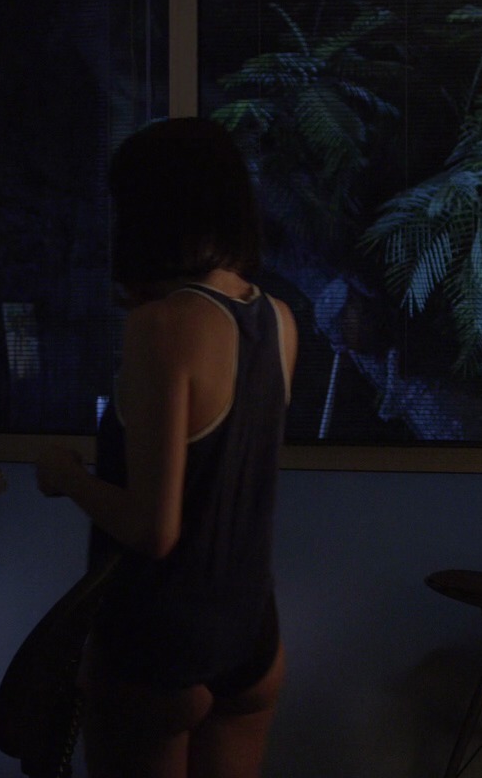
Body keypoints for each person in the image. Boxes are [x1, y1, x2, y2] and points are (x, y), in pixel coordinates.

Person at [35, 117, 298, 778]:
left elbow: (154, 530)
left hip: (157, 640)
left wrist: (67, 476)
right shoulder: (278, 320)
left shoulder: (163, 327)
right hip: (250, 632)